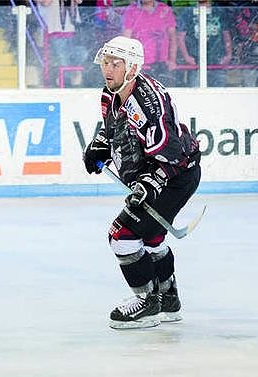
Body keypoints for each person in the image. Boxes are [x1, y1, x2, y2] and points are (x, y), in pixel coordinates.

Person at [82, 36, 201, 329]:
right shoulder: (111, 93)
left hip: (176, 176)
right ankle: (168, 298)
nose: (107, 69)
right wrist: (100, 143)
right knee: (151, 238)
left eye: (115, 63)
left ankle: (147, 302)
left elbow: (171, 154)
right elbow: (113, 128)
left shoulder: (150, 102)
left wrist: (150, 182)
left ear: (132, 67)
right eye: (105, 62)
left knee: (121, 235)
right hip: (165, 174)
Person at [175, 0, 233, 87]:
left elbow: (226, 35)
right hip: (195, 61)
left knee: (219, 92)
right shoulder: (188, 12)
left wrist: (228, 55)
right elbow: (180, 37)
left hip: (217, 60)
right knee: (195, 91)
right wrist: (186, 57)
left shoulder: (219, 11)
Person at [121, 0, 178, 86]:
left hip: (163, 64)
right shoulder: (132, 10)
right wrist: (128, 63)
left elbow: (173, 37)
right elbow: (126, 39)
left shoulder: (165, 9)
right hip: (139, 64)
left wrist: (172, 60)